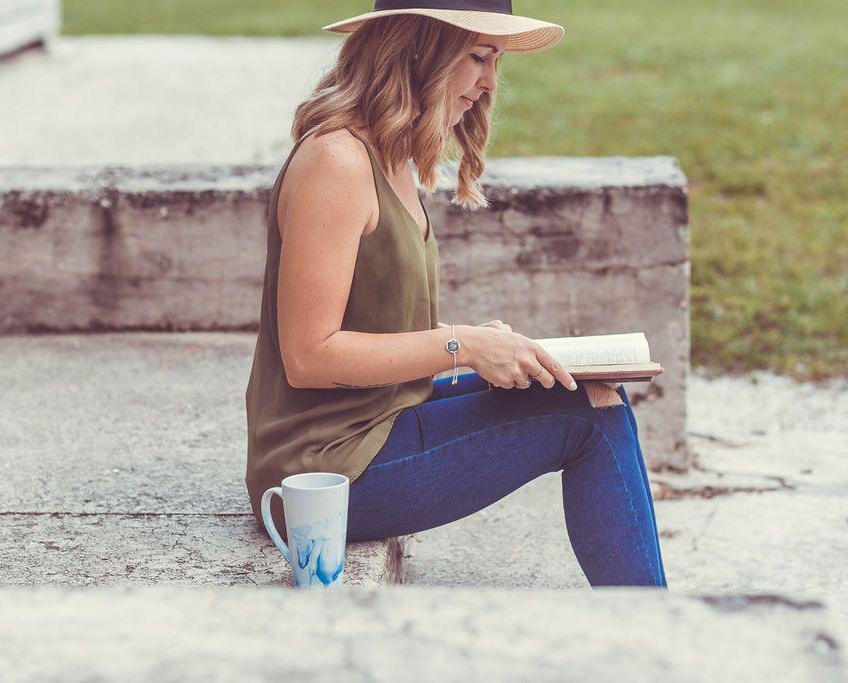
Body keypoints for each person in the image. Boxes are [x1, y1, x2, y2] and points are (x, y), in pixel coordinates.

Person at [245, 0, 667, 588]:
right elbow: (310, 356)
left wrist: (485, 348)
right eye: (478, 57)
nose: (490, 83)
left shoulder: (388, 154)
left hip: (380, 422)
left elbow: (380, 332)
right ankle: (658, 633)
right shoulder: (336, 161)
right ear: (422, 47)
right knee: (589, 421)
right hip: (326, 471)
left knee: (594, 391)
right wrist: (460, 347)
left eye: (494, 62)